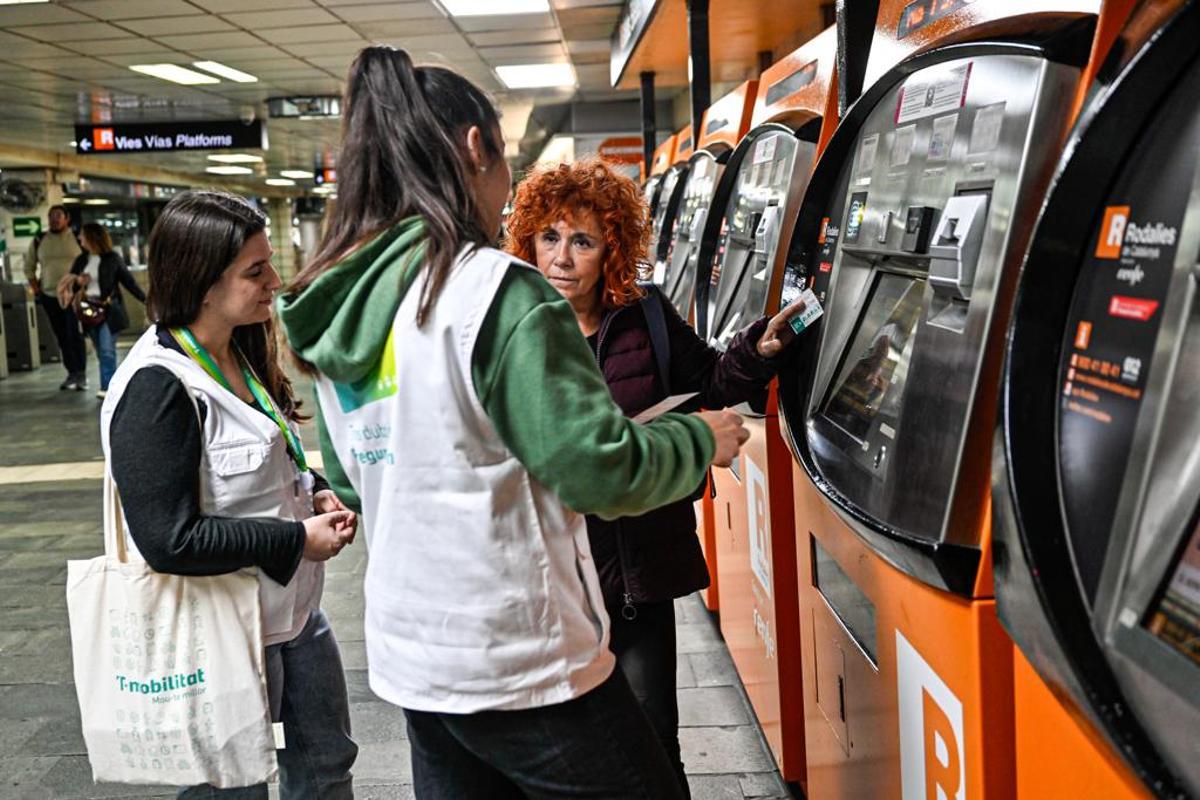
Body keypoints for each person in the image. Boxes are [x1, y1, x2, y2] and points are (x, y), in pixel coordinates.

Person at [276, 46, 748, 800]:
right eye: (504, 154)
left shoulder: (335, 303)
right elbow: (600, 469)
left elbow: (352, 481)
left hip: (413, 651)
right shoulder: (497, 292)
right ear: (474, 148)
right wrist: (700, 440)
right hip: (515, 649)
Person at [505, 157, 806, 796]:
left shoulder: (644, 314)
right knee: (569, 748)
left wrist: (760, 350)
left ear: (610, 249)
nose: (562, 258)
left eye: (582, 241)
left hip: (639, 563)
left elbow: (712, 380)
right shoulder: (512, 331)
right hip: (552, 577)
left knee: (653, 735)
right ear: (528, 240)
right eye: (549, 238)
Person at [100, 190, 359, 798]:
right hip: (220, 632)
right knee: (231, 787)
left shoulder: (240, 349)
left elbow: (267, 454)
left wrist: (313, 491)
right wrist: (296, 539)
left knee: (326, 767)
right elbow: (169, 540)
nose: (275, 280)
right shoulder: (157, 387)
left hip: (294, 619)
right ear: (203, 283)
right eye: (256, 270)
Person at [68, 223, 146, 398]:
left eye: (82, 235)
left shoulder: (112, 258)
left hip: (108, 310)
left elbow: (129, 282)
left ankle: (108, 388)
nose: (80, 239)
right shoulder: (81, 260)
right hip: (88, 311)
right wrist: (78, 282)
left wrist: (146, 300)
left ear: (92, 237)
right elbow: (71, 285)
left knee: (107, 349)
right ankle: (111, 382)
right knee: (99, 349)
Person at [29, 205, 86, 389]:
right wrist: (36, 289)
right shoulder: (40, 239)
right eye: (51, 216)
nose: (54, 219)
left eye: (58, 216)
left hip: (73, 295)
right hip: (49, 295)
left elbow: (89, 262)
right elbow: (28, 266)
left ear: (67, 218)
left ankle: (81, 373)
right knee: (61, 335)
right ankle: (72, 372)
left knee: (74, 334)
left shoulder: (77, 238)